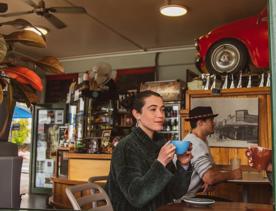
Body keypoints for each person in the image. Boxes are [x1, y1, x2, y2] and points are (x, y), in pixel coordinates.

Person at [106, 90, 193, 211]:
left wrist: (183, 165)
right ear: (137, 114)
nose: (161, 115)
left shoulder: (160, 143)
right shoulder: (126, 147)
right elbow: (136, 197)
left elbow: (175, 192)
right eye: (153, 109)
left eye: (162, 109)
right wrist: (161, 163)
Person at [181, 106, 242, 198]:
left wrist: (207, 178)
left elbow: (211, 170)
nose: (214, 123)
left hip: (192, 196)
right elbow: (210, 177)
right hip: (184, 200)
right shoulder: (194, 144)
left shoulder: (200, 140)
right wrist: (233, 174)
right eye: (211, 120)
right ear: (200, 123)